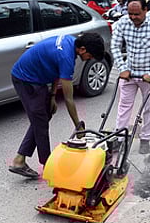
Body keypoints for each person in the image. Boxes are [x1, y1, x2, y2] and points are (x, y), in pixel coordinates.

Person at [9, 33, 105, 178]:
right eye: (90, 56)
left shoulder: (71, 42)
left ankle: (19, 160)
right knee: (40, 121)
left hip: (38, 79)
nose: (89, 59)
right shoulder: (66, 57)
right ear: (83, 49)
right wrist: (78, 125)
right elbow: (69, 99)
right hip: (25, 79)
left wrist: (52, 96)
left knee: (42, 117)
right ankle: (48, 166)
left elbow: (57, 70)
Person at [111, 0, 150, 154]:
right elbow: (115, 45)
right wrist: (122, 68)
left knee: (149, 107)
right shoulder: (123, 22)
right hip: (129, 72)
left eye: (137, 14)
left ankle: (145, 139)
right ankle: (120, 138)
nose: (133, 17)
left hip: (149, 74)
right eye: (130, 14)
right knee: (123, 107)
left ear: (145, 10)